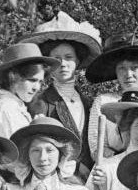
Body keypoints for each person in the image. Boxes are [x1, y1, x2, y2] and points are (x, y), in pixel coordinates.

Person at [22, 11, 102, 176]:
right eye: (56, 58)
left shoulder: (90, 103)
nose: (63, 64)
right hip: (55, 179)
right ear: (49, 63)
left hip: (89, 182)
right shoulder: (40, 102)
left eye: (68, 57)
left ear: (77, 60)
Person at [0, 42, 57, 137]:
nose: (37, 87)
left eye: (40, 82)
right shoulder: (4, 108)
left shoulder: (17, 107)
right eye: (32, 80)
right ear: (13, 77)